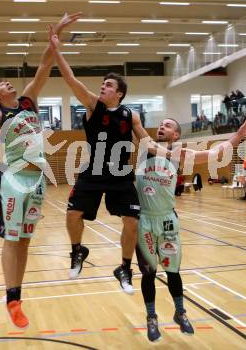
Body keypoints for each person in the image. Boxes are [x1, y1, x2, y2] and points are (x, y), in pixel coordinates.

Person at [0, 12, 81, 329]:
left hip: (37, 179)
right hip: (12, 179)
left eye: (7, 82)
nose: (8, 83)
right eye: (1, 85)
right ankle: (11, 298)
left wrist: (58, 35)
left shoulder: (27, 101)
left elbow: (44, 65)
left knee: (24, 240)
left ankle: (16, 299)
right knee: (12, 239)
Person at [49, 26, 167, 295]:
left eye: (109, 85)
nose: (103, 86)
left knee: (132, 222)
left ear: (120, 93)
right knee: (72, 214)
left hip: (121, 175)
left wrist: (171, 154)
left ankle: (124, 267)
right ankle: (78, 251)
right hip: (93, 171)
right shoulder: (94, 105)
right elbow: (70, 79)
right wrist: (56, 48)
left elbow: (146, 142)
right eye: (103, 84)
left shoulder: (131, 116)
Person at [135, 116, 246, 342]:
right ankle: (152, 317)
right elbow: (135, 125)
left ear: (177, 135)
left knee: (173, 272)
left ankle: (180, 312)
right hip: (145, 221)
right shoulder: (146, 145)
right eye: (160, 124)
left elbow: (214, 154)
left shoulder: (182, 155)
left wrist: (238, 135)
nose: (162, 126)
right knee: (148, 274)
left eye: (168, 125)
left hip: (168, 220)